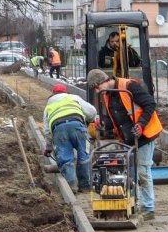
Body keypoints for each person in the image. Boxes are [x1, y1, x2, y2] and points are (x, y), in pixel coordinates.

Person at [87, 67, 161, 221]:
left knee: (142, 171)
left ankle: (149, 208)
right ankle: (135, 203)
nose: (96, 91)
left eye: (97, 87)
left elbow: (150, 104)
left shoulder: (129, 86)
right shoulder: (107, 94)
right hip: (128, 138)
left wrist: (141, 124)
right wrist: (103, 124)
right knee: (131, 172)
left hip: (144, 135)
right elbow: (116, 119)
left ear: (103, 81)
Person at [41, 83, 98, 192]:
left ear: (53, 94)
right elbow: (92, 111)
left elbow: (47, 130)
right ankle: (85, 186)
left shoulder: (48, 106)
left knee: (65, 158)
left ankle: (72, 187)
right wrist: (90, 120)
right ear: (65, 92)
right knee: (84, 156)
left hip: (59, 130)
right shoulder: (73, 97)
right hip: (78, 126)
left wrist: (48, 147)